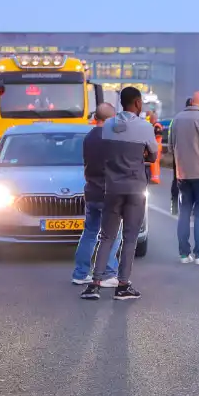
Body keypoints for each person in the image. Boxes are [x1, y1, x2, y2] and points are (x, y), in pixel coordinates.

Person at [81, 87, 157, 301]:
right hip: (134, 189)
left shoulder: (108, 126)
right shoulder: (145, 127)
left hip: (112, 188)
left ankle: (94, 284)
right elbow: (152, 155)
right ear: (138, 103)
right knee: (130, 237)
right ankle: (123, 285)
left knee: (106, 236)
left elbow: (105, 152)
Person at [72, 102, 123, 286]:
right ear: (111, 119)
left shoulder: (89, 137)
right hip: (109, 193)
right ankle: (108, 274)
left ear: (96, 118)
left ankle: (80, 273)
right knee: (112, 235)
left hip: (91, 191)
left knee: (90, 233)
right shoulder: (113, 139)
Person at [169, 91, 199, 265]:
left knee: (184, 213)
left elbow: (170, 146)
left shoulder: (177, 119)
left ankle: (183, 254)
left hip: (182, 174)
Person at [169, 97, 194, 214]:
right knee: (194, 181)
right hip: (194, 156)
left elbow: (170, 138)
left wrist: (172, 151)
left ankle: (174, 205)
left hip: (178, 155)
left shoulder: (176, 119)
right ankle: (190, 207)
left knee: (177, 180)